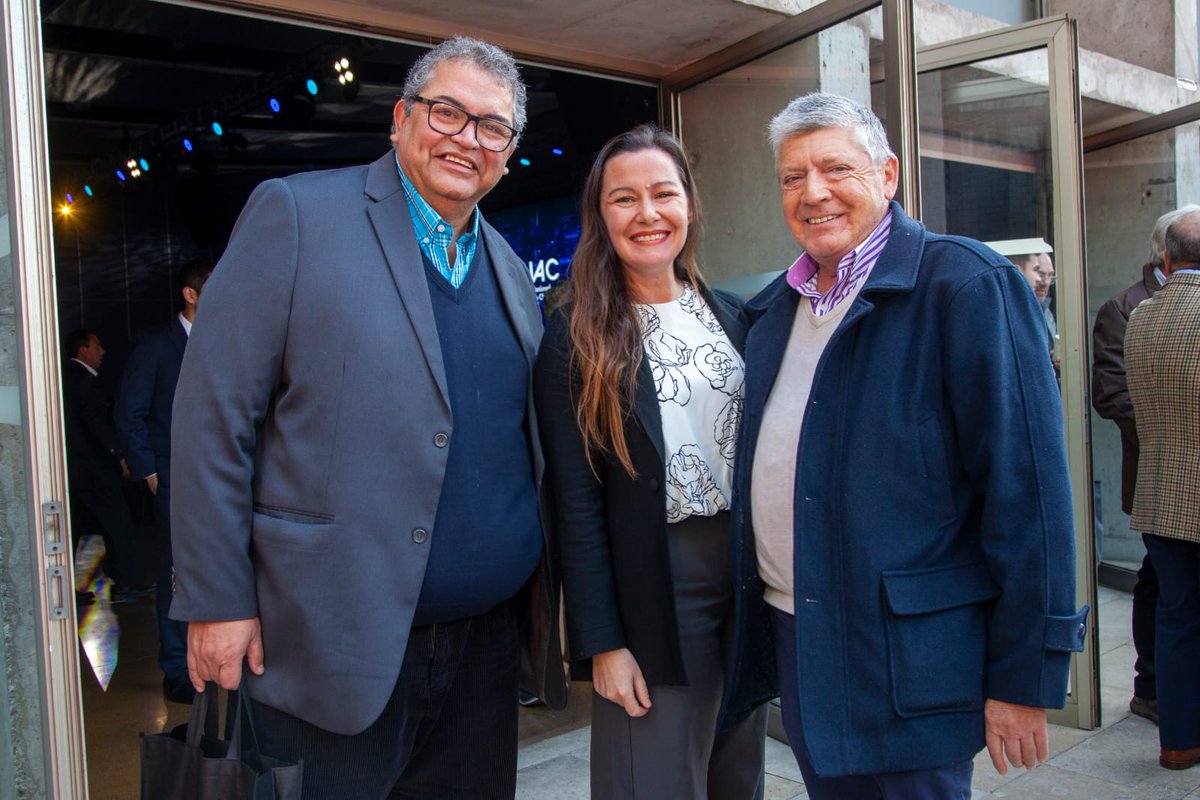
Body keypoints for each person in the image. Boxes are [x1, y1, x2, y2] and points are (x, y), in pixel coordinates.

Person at [169, 36, 565, 799]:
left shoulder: (512, 271)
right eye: (448, 112)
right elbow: (214, 419)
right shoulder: (297, 214)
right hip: (325, 643)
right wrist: (216, 601)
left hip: (483, 653)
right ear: (400, 118)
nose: (466, 138)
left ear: (508, 152)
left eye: (492, 127)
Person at [723, 92, 1087, 798]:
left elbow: (1028, 494)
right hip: (800, 641)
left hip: (910, 659)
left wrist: (1025, 675)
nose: (814, 192)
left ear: (888, 175)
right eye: (792, 177)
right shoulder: (772, 313)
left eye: (836, 169)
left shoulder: (966, 285)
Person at [534, 125, 767, 799]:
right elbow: (574, 504)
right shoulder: (576, 337)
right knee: (656, 778)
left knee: (736, 772)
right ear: (600, 216)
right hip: (656, 584)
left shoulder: (732, 316)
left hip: (743, 576)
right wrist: (603, 643)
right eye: (624, 198)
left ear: (689, 205)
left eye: (663, 193)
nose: (647, 214)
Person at [1090, 205, 1199, 725]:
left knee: (1168, 591)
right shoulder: (1125, 309)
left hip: (1172, 477)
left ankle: (1168, 700)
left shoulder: (1151, 309)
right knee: (1158, 588)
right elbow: (1112, 395)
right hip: (1159, 474)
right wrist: (1168, 440)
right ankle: (1152, 688)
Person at [114, 261, 211, 705]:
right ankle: (176, 668)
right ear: (190, 295)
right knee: (174, 574)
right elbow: (128, 413)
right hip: (173, 476)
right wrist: (149, 471)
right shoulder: (156, 346)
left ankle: (213, 663)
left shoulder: (223, 342)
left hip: (221, 479)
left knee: (220, 568)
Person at [1124, 207, 1200, 771]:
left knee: (1177, 620)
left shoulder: (1142, 317)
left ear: (1166, 259)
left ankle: (1178, 742)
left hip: (1162, 498)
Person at [62, 329, 149, 603]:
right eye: (97, 345)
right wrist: (119, 454)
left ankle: (65, 589)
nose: (103, 351)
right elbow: (96, 424)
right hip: (94, 473)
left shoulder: (63, 378)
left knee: (71, 530)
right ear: (82, 350)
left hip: (73, 473)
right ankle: (127, 583)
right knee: (120, 525)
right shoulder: (86, 382)